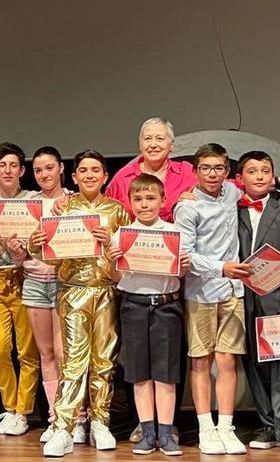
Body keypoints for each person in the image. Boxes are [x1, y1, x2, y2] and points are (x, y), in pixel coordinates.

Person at [30, 150, 132, 457]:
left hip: (107, 292)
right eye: (83, 170)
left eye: (95, 170)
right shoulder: (63, 209)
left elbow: (127, 254)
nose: (89, 175)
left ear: (105, 176)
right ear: (74, 177)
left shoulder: (117, 210)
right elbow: (46, 254)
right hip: (73, 291)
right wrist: (35, 246)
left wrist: (110, 242)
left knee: (104, 360)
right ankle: (64, 425)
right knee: (73, 360)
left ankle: (100, 420)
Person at [106, 173, 189, 456]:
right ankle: (146, 430)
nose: (144, 204)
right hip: (133, 305)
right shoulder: (122, 235)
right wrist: (112, 257)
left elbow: (180, 274)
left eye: (150, 198)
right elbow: (114, 276)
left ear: (163, 200)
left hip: (166, 306)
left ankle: (166, 433)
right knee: (139, 373)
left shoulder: (175, 233)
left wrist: (183, 265)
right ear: (130, 203)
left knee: (165, 373)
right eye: (138, 199)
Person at [173, 143, 248, 455]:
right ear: (196, 171)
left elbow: (259, 185)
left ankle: (226, 427)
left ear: (227, 171)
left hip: (233, 291)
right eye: (206, 168)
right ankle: (206, 427)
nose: (213, 174)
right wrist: (222, 268)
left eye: (218, 167)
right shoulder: (187, 206)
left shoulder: (232, 192)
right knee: (201, 360)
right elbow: (185, 253)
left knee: (228, 359)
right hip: (201, 291)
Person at [234, 151, 280, 457]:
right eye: (253, 171)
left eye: (266, 170)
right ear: (240, 178)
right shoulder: (232, 210)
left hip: (277, 299)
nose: (260, 176)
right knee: (255, 365)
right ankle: (268, 426)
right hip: (243, 299)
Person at [8, 146, 80, 443]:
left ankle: (76, 418)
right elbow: (18, 257)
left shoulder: (75, 202)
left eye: (49, 168)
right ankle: (54, 418)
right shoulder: (28, 205)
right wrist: (17, 250)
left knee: (67, 355)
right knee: (46, 353)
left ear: (61, 168)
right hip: (35, 282)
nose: (44, 174)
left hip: (67, 283)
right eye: (38, 170)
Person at [0, 143, 39, 436]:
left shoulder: (33, 200)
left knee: (27, 351)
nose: (7, 170)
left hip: (25, 279)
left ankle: (23, 411)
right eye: (2, 166)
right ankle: (10, 407)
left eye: (13, 165)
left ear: (22, 171)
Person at [105, 117, 197, 222]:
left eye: (159, 139)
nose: (153, 145)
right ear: (140, 145)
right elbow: (108, 214)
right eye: (148, 139)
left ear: (171, 145)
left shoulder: (187, 172)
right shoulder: (123, 177)